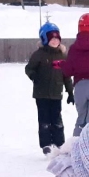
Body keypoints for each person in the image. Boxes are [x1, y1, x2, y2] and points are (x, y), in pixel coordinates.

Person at [26, 22, 75, 156]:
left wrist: (70, 92)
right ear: (45, 39)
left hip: (56, 93)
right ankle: (46, 144)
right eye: (52, 39)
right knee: (44, 120)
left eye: (57, 39)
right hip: (41, 94)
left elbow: (67, 76)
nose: (55, 41)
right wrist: (34, 76)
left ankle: (59, 143)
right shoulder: (38, 54)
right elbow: (29, 68)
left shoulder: (62, 56)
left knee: (57, 120)